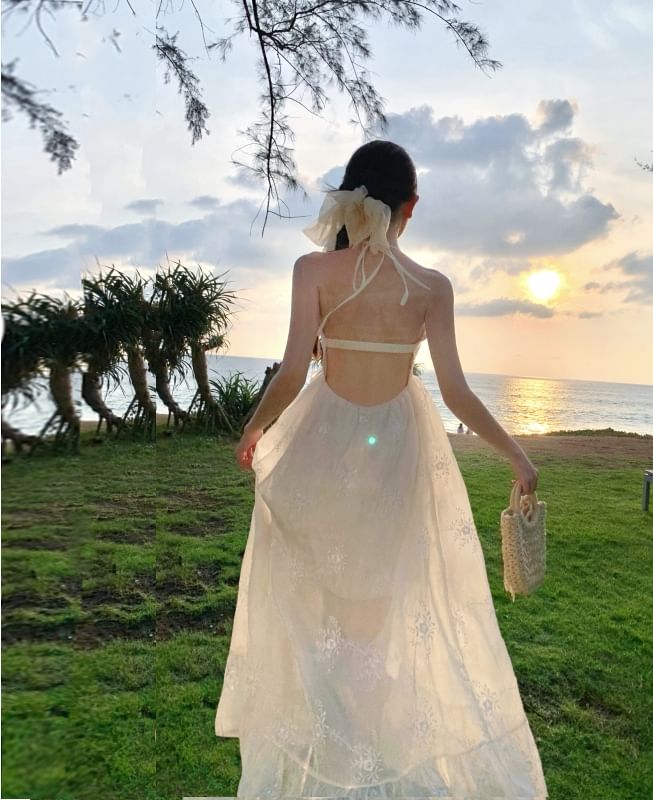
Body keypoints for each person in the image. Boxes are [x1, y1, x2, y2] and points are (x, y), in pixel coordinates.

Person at [216, 140, 547, 797]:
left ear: (349, 197)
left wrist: (254, 427)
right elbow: (456, 392)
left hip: (321, 451)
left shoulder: (312, 270)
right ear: (411, 206)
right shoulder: (431, 287)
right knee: (371, 619)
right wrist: (516, 453)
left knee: (330, 618)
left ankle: (348, 759)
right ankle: (367, 756)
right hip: (395, 457)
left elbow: (292, 371)